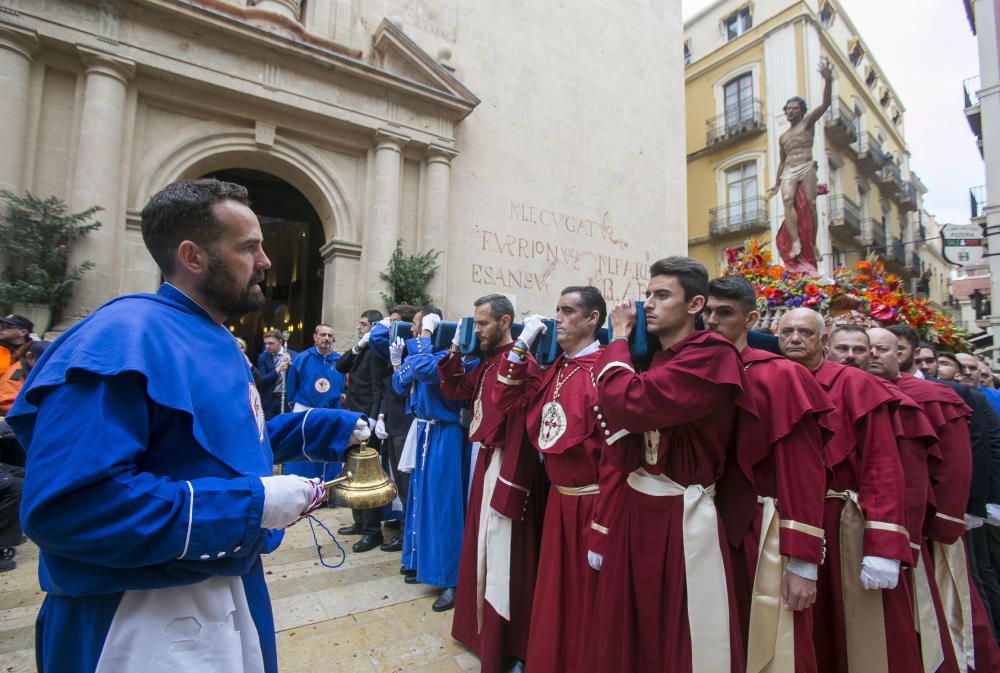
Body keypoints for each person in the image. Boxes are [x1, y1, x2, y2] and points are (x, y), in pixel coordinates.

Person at [7, 178, 368, 673]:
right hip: (139, 613)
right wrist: (253, 504)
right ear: (192, 256)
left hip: (228, 587)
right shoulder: (121, 337)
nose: (265, 262)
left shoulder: (214, 334)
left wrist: (333, 425)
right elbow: (72, 508)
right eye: (249, 248)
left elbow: (228, 442)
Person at [583, 257, 753, 673]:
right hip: (636, 507)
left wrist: (619, 339)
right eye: (648, 294)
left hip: (682, 512)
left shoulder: (711, 354)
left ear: (696, 304)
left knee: (679, 625)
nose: (648, 305)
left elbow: (632, 403)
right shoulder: (655, 358)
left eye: (662, 296)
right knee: (632, 620)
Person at [492, 286, 626, 673]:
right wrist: (523, 343)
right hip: (559, 502)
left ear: (593, 319)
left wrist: (601, 529)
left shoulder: (607, 370)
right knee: (555, 596)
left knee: (587, 601)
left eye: (568, 311)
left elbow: (617, 459)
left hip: (594, 505)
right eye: (556, 311)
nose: (558, 319)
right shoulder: (555, 370)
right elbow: (506, 399)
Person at [705, 276, 830, 673]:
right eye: (706, 312)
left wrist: (802, 565)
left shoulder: (781, 376)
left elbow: (803, 473)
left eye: (724, 313)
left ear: (751, 319)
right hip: (704, 530)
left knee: (774, 644)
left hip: (763, 531)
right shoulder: (691, 372)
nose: (711, 321)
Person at [776, 309, 911, 673]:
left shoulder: (856, 385)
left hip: (839, 525)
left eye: (805, 332)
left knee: (846, 632)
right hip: (777, 527)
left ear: (823, 341)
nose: (794, 339)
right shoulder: (768, 378)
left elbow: (882, 466)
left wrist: (882, 546)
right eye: (786, 331)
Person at [438, 293, 545, 673]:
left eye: (482, 323)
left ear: (505, 323)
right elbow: (455, 390)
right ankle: (479, 632)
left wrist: (510, 490)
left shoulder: (524, 366)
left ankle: (509, 642)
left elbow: (521, 436)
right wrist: (453, 346)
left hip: (506, 468)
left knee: (503, 556)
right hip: (486, 462)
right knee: (481, 548)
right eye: (474, 322)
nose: (476, 329)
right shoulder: (486, 364)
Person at [390, 306, 469, 612]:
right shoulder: (427, 354)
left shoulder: (450, 356)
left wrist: (425, 336)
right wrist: (401, 363)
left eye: (418, 326)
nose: (412, 331)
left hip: (447, 434)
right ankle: (420, 560)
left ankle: (451, 578)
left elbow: (423, 370)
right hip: (423, 431)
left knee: (445, 505)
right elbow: (399, 384)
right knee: (420, 500)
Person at [767, 60, 833, 272]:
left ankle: (811, 243)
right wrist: (776, 184)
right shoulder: (783, 136)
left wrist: (828, 80)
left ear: (801, 111)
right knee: (787, 200)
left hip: (806, 166)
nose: (790, 111)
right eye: (788, 109)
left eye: (794, 108)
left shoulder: (807, 124)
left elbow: (825, 105)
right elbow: (782, 161)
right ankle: (795, 241)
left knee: (811, 205)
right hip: (789, 170)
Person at [336, 309, 391, 553]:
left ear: (374, 325)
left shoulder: (377, 351)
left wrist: (374, 416)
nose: (359, 327)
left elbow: (378, 387)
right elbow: (340, 365)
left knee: (367, 477)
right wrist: (358, 345)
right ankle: (359, 522)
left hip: (365, 421)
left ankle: (372, 531)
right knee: (351, 472)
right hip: (352, 418)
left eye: (363, 324)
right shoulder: (362, 348)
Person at [373, 304, 417, 554]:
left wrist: (384, 323)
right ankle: (401, 527)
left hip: (404, 423)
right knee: (398, 484)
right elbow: (388, 388)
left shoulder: (412, 350)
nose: (392, 326)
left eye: (397, 322)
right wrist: (381, 415)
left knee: (406, 485)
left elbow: (401, 387)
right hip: (391, 421)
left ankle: (406, 533)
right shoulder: (397, 350)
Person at [283, 324, 346, 480]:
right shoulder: (302, 359)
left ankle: (328, 486)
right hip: (305, 408)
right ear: (315, 337)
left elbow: (342, 385)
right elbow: (291, 386)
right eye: (323, 335)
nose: (326, 338)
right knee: (302, 448)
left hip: (330, 410)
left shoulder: (339, 360)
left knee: (329, 448)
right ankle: (298, 484)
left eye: (329, 336)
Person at [256, 330, 295, 419]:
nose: (267, 346)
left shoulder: (293, 355)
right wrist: (278, 369)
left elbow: (299, 378)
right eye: (265, 344)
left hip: (287, 399)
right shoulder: (263, 357)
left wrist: (291, 365)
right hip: (270, 399)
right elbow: (262, 380)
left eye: (271, 343)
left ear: (280, 341)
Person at [0, 314, 35, 414]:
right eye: (1, 325)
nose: (2, 329)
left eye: (8, 326)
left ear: (23, 332)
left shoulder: (36, 350)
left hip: (22, 401)